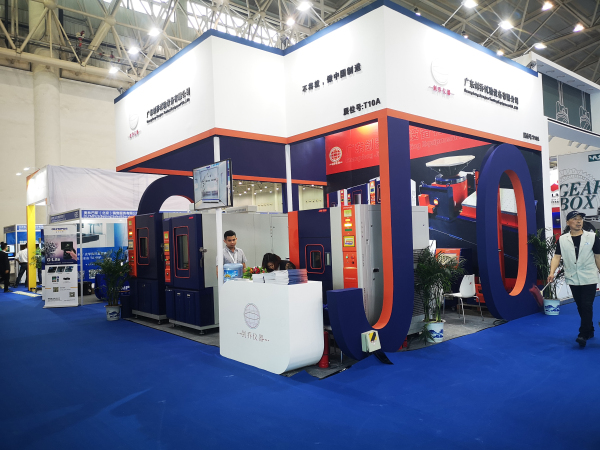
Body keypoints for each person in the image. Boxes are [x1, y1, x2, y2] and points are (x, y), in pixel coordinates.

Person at [548, 211, 600, 348]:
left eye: (580, 219)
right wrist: (552, 272)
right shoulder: (562, 239)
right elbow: (557, 257)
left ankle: (583, 334)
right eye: (575, 219)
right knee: (580, 305)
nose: (578, 221)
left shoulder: (592, 237)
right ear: (568, 222)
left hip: (589, 277)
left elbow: (598, 256)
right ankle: (590, 329)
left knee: (587, 305)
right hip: (572, 277)